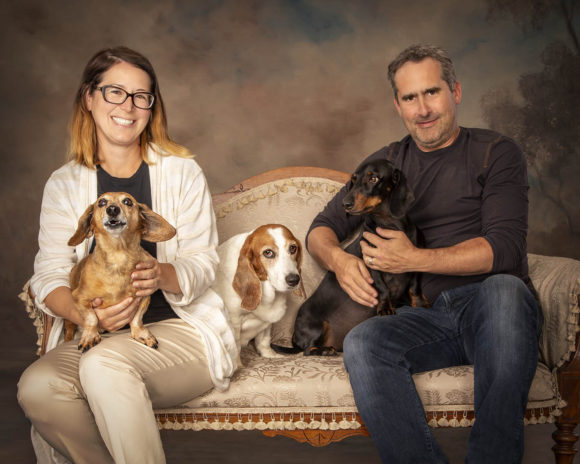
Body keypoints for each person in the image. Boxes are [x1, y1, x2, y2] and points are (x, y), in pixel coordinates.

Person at [305, 44, 542, 463]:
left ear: (455, 91)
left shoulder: (496, 152)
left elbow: (505, 250)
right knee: (363, 342)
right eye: (410, 98)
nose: (423, 109)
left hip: (493, 308)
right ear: (398, 105)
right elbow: (322, 229)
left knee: (505, 289)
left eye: (432, 92)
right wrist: (340, 261)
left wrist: (412, 259)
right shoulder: (386, 163)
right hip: (425, 318)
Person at [17, 46, 237, 464]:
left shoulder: (182, 171)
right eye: (115, 92)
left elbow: (204, 262)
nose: (128, 106)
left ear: (152, 107)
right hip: (96, 331)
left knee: (104, 365)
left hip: (181, 329)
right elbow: (48, 272)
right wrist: (85, 316)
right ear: (89, 98)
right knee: (38, 386)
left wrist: (162, 274)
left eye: (141, 96)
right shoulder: (64, 184)